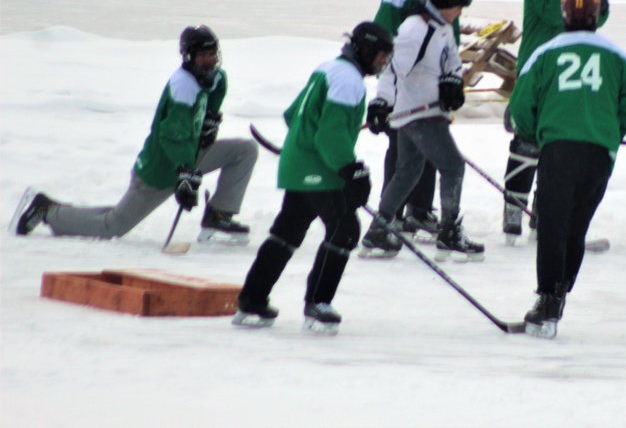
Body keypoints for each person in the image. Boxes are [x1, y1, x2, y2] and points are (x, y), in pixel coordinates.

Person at [11, 26, 258, 243]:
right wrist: (185, 172)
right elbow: (172, 136)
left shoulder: (213, 78)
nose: (210, 60)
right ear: (189, 57)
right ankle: (47, 210)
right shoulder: (182, 86)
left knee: (244, 151)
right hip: (160, 170)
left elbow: (217, 89)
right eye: (203, 55)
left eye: (212, 54)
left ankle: (219, 215)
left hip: (191, 159)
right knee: (112, 226)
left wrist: (210, 121)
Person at [234, 22, 394, 331]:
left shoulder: (329, 68)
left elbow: (293, 115)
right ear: (365, 51)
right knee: (345, 229)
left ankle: (252, 299)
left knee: (287, 233)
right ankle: (318, 303)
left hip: (299, 164)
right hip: (319, 169)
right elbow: (330, 137)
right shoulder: (349, 82)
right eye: (380, 56)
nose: (382, 63)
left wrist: (312, 143)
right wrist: (353, 170)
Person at [509, 0, 626, 338]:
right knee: (575, 225)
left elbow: (522, 106)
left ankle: (549, 298)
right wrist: (613, 130)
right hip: (599, 153)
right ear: (597, 16)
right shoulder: (617, 55)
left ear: (564, 15)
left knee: (553, 224)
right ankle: (561, 291)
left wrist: (535, 130)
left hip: (558, 149)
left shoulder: (545, 51)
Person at [501, 0, 615, 243]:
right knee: (527, 142)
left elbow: (596, 21)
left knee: (555, 147)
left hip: (567, 73)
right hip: (536, 69)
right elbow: (553, 13)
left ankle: (544, 215)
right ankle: (513, 210)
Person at [361, 0, 484, 261]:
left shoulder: (440, 27)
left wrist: (452, 82)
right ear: (446, 2)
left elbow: (452, 61)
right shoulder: (416, 29)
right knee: (453, 166)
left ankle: (379, 229)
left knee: (408, 172)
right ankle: (449, 232)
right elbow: (392, 70)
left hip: (426, 111)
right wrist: (381, 102)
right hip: (418, 115)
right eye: (459, 6)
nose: (460, 12)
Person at [370, 0, 468, 242]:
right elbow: (389, 48)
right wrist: (384, 99)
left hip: (427, 101)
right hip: (408, 100)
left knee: (413, 165)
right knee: (413, 158)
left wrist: (451, 80)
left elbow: (449, 50)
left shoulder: (443, 14)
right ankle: (398, 219)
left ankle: (413, 213)